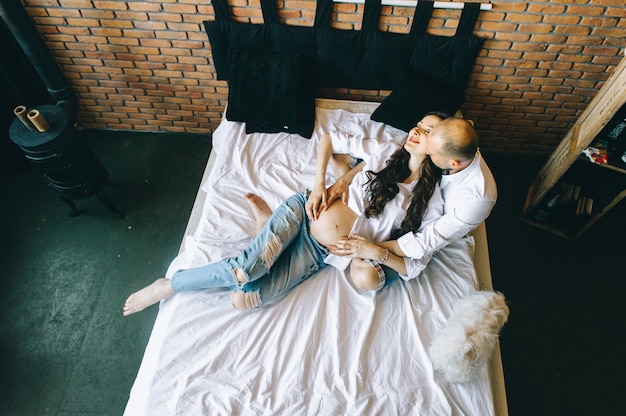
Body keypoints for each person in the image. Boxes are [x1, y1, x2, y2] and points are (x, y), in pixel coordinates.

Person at [122, 113, 447, 316]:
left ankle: (265, 225)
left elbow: (415, 263)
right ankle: (170, 284)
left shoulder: (431, 204)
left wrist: (373, 252)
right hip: (303, 213)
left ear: (442, 148)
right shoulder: (386, 150)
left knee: (244, 300)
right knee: (244, 273)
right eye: (418, 124)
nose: (416, 131)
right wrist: (321, 184)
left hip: (319, 253)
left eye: (428, 130)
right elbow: (330, 139)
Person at [320, 117, 497, 274]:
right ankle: (343, 167)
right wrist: (343, 180)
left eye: (432, 154)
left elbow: (424, 244)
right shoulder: (447, 151)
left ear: (453, 164)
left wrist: (371, 250)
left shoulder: (474, 201)